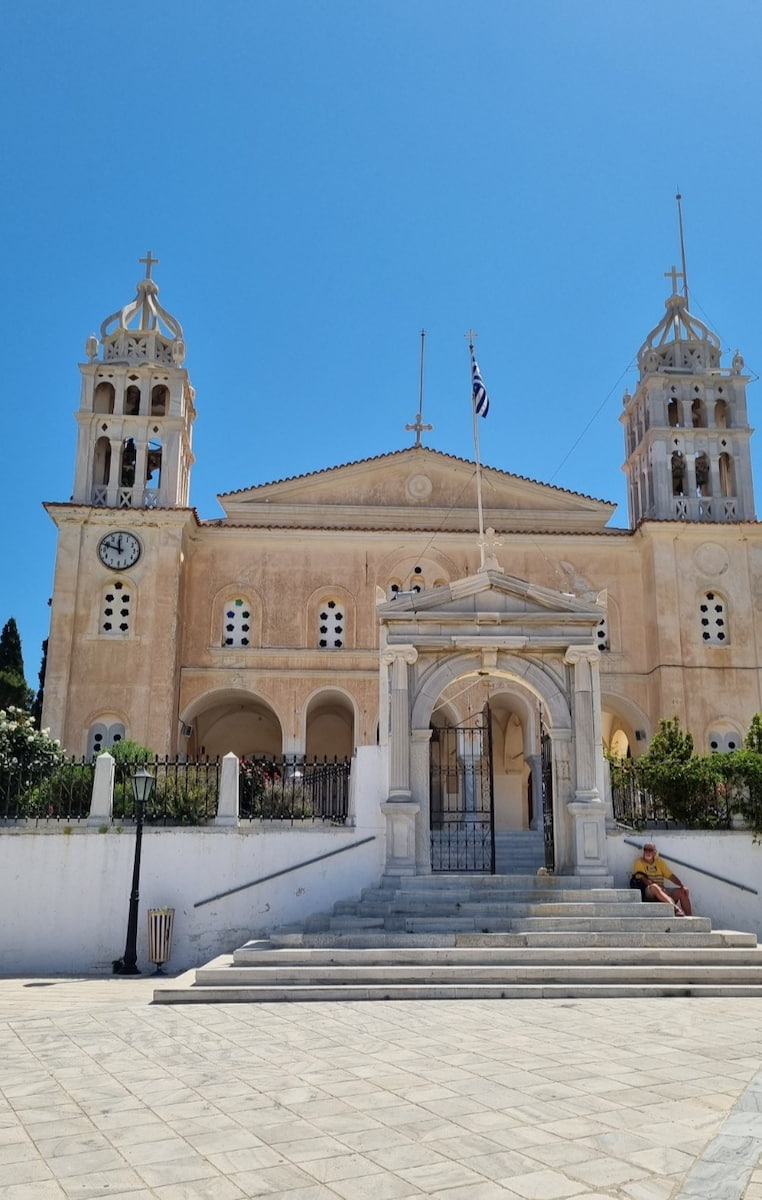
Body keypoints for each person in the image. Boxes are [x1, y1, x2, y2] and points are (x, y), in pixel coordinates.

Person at [630, 842, 692, 916]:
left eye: (650, 850)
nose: (647, 852)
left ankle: (690, 918)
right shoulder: (639, 862)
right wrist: (660, 888)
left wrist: (682, 886)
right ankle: (675, 909)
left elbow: (670, 876)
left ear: (654, 852)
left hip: (662, 890)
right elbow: (644, 879)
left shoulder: (659, 862)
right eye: (645, 850)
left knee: (682, 892)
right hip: (649, 891)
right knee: (654, 887)